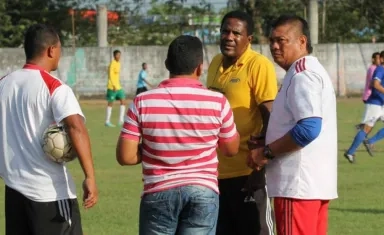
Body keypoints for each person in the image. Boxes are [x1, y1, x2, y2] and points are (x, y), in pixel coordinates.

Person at [116, 35, 240, 235]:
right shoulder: (218, 102)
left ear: (167, 64)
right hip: (203, 192)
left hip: (158, 191)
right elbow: (231, 149)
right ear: (200, 68)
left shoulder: (142, 102)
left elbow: (126, 156)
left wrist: (154, 147)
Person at [0, 24, 98, 235]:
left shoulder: (3, 84)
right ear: (51, 50)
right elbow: (76, 127)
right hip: (49, 193)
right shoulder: (54, 86)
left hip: (14, 192)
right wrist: (89, 176)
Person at [248, 14, 338, 235]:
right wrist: (267, 137)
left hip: (296, 186)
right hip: (312, 185)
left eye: (282, 40)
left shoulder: (302, 75)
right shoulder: (310, 71)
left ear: (302, 41)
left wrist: (266, 152)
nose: (275, 46)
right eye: (272, 41)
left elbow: (308, 128)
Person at [206, 10, 277, 235]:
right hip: (215, 173)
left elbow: (271, 116)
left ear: (249, 39)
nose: (229, 37)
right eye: (225, 31)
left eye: (236, 33)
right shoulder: (215, 63)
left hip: (248, 173)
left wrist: (260, 165)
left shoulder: (258, 65)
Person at [345, 50, 384, 163]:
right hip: (374, 104)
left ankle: (370, 141)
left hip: (381, 104)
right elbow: (375, 84)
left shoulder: (383, 71)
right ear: (382, 59)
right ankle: (350, 152)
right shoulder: (380, 69)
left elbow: (374, 85)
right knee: (366, 129)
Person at [355, 52, 381, 130]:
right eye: (378, 58)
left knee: (375, 116)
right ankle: (361, 127)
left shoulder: (375, 68)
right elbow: (372, 83)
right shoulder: (373, 69)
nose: (380, 60)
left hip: (372, 96)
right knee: (376, 116)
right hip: (370, 96)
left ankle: (362, 127)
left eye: (380, 58)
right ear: (373, 59)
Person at [105, 49, 126, 127]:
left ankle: (121, 120)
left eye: (120, 55)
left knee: (123, 101)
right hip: (112, 87)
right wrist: (113, 85)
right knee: (110, 103)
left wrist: (117, 85)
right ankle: (107, 121)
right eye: (117, 55)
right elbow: (110, 75)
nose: (119, 56)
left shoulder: (119, 63)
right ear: (114, 56)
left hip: (118, 87)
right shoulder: (112, 64)